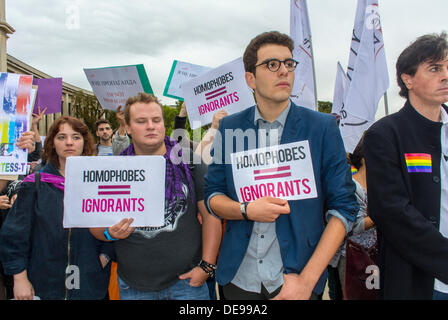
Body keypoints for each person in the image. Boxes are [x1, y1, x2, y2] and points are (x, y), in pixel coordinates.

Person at [204, 31, 358, 300]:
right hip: (238, 279)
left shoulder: (322, 127)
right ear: (250, 78)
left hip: (296, 278)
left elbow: (344, 208)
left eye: (289, 64)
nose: (284, 71)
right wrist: (246, 210)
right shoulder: (230, 127)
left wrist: (307, 281)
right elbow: (213, 196)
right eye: (272, 64)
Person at [90, 93, 222, 300]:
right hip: (133, 287)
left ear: (163, 124)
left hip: (187, 284)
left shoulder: (190, 163)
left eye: (156, 120)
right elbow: (96, 226)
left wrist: (206, 266)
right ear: (128, 127)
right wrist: (109, 233)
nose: (150, 126)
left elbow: (211, 216)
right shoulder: (113, 169)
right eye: (141, 121)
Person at [364, 32, 448, 300]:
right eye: (435, 68)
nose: (445, 75)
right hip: (419, 282)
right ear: (407, 79)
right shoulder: (385, 135)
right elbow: (391, 212)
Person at [0, 116, 114, 300]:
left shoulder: (100, 183)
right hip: (44, 282)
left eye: (76, 137)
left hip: (89, 282)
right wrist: (19, 278)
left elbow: (113, 224)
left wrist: (104, 258)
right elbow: (15, 234)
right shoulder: (35, 184)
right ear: (52, 143)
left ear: (85, 142)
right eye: (61, 137)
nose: (69, 142)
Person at [328, 136, 377, 300]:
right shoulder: (352, 187)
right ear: (364, 159)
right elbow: (353, 226)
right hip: (353, 257)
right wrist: (383, 216)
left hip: (373, 254)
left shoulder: (378, 185)